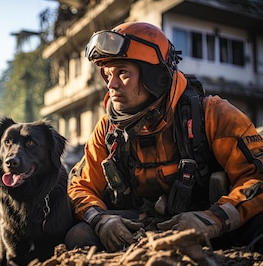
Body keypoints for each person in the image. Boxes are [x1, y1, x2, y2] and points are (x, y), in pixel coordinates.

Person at [65, 21, 263, 253]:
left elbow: (257, 177)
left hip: (206, 227)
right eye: (107, 75)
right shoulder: (107, 130)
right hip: (137, 229)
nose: (112, 84)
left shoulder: (214, 114)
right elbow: (80, 186)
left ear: (156, 78)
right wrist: (102, 221)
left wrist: (212, 220)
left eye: (123, 73)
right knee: (78, 235)